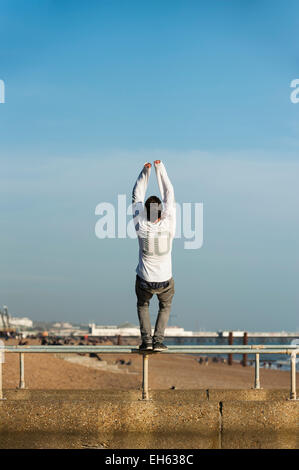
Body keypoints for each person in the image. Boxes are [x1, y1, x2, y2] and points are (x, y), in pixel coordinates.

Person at [132, 160, 176, 352]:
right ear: (161, 213)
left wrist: (145, 171)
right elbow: (169, 193)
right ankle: (158, 341)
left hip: (145, 279)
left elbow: (136, 195)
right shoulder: (169, 223)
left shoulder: (140, 225)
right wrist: (160, 169)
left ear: (144, 213)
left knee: (143, 304)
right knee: (165, 306)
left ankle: (147, 341)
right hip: (164, 280)